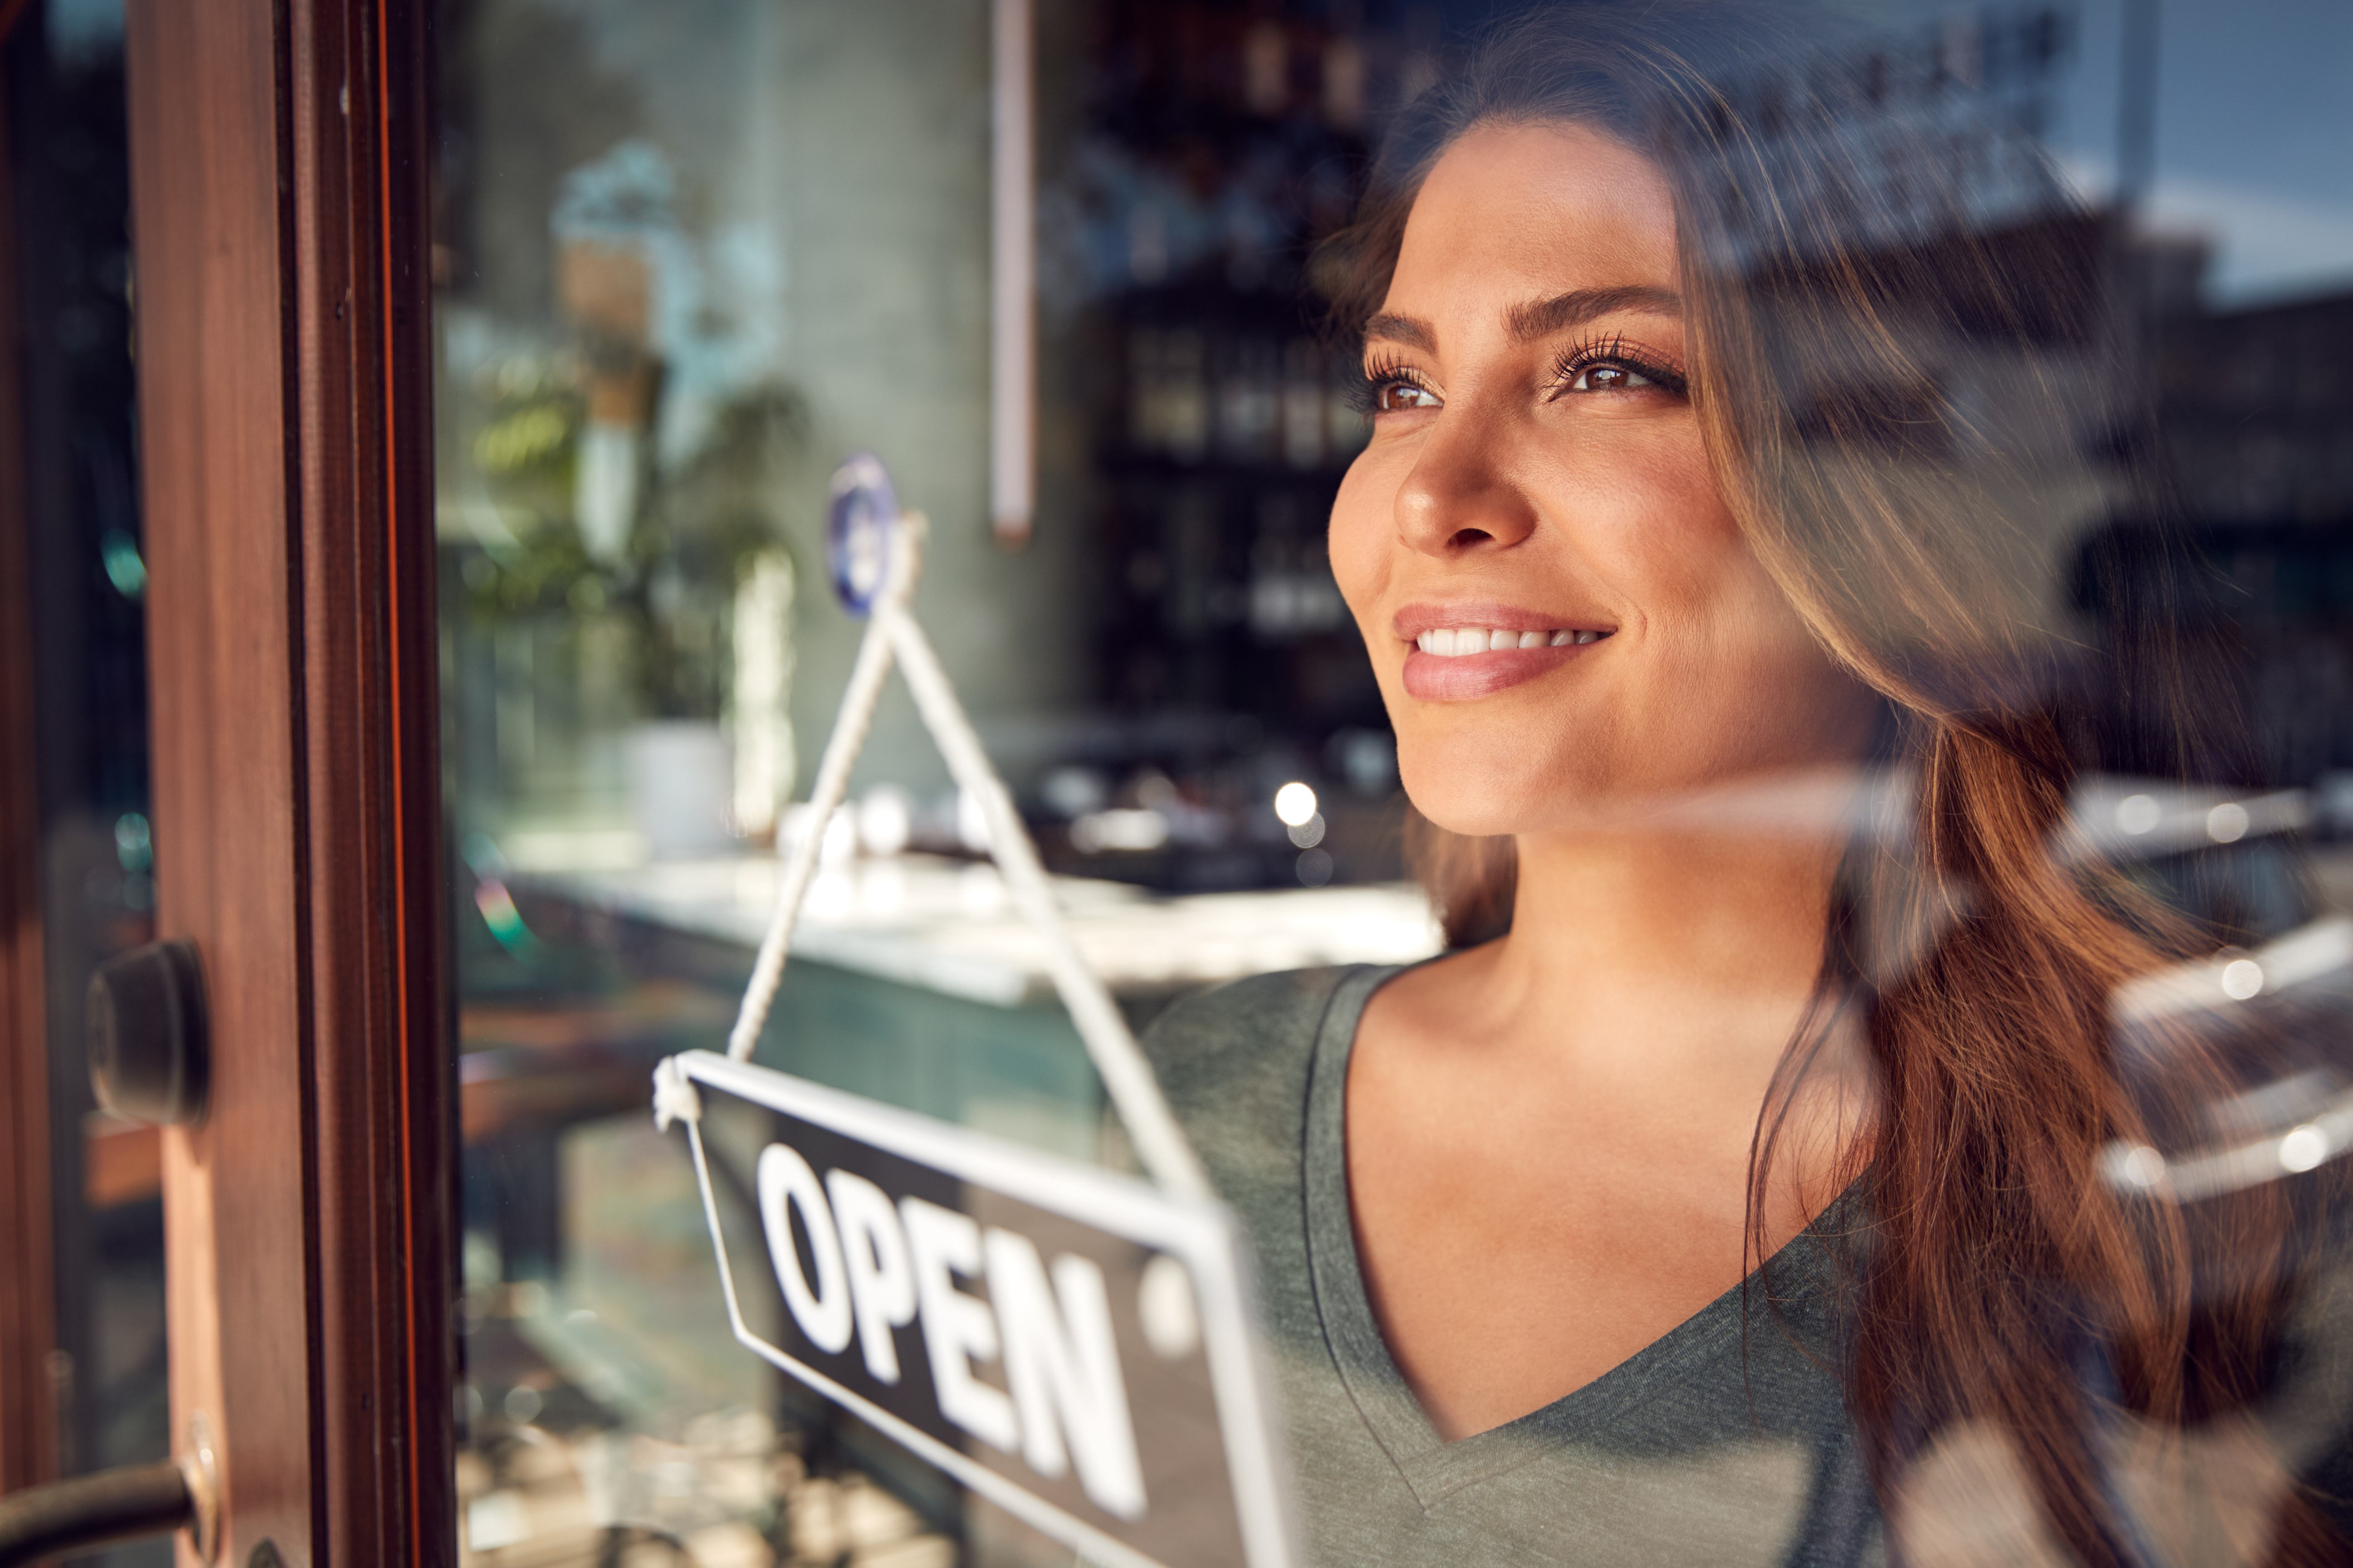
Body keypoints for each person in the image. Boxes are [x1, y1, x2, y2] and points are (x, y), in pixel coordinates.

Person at [1141, 4, 2353, 1563]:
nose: (1429, 493)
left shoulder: (2207, 1206)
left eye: (1602, 370)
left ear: (1889, 496)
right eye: (1402, 385)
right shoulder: (1205, 1106)